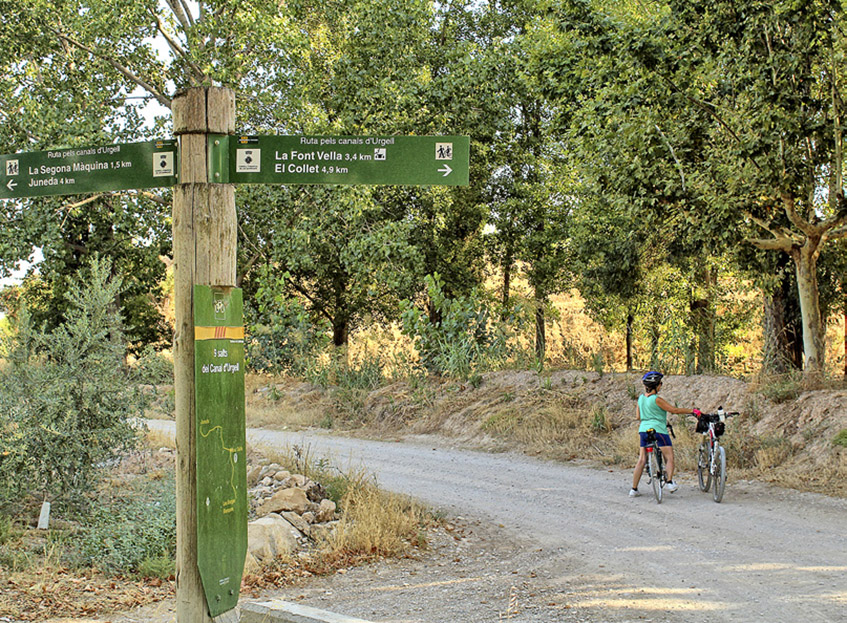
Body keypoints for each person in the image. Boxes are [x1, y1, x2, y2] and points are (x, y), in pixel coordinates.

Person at [629, 371, 694, 497]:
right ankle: (669, 482)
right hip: (659, 430)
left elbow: (638, 417)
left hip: (643, 430)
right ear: (657, 386)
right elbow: (674, 410)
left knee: (642, 459)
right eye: (660, 384)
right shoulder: (657, 399)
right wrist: (692, 411)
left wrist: (649, 415)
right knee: (669, 457)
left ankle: (634, 489)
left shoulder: (641, 399)